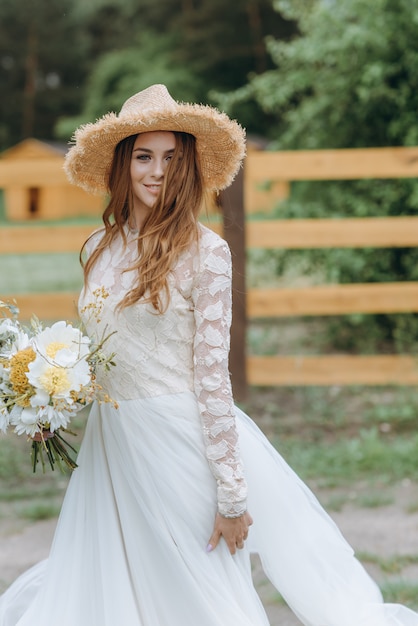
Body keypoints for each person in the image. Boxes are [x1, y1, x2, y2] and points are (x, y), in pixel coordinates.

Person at [0, 84, 417, 626]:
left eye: (172, 158)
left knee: (195, 596)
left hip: (179, 444)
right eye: (144, 157)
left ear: (189, 167)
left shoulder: (207, 253)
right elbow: (103, 354)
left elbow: (212, 377)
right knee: (116, 589)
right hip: (112, 446)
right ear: (123, 166)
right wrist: (50, 398)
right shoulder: (98, 249)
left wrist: (232, 492)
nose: (157, 172)